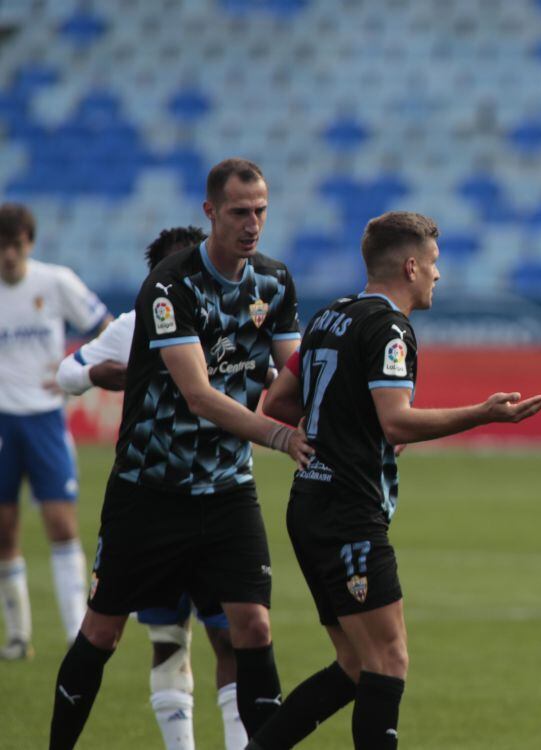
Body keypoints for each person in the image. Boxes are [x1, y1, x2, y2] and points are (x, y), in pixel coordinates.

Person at [246, 211, 541, 750]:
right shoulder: (389, 327)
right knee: (388, 660)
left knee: (355, 664)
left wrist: (349, 429)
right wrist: (484, 413)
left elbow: (282, 402)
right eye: (434, 264)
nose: (438, 275)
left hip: (310, 502)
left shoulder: (330, 316)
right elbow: (395, 420)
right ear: (411, 265)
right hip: (349, 510)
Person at [48, 158, 314, 750]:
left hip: (226, 491)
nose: (252, 224)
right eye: (240, 211)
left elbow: (294, 380)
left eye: (261, 211)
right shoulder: (170, 285)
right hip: (149, 491)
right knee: (103, 631)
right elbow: (198, 396)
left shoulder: (274, 283)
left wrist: (356, 422)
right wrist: (279, 437)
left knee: (253, 626)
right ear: (210, 212)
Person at [56, 226, 249, 750]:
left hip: (219, 496)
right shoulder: (135, 324)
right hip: (151, 499)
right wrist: (117, 371)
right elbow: (67, 373)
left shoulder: (230, 315)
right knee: (165, 639)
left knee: (231, 636)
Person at [0, 202, 111, 660]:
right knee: (5, 529)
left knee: (62, 524)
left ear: (30, 243)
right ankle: (19, 635)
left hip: (46, 417)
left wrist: (73, 367)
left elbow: (106, 328)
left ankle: (74, 636)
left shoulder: (55, 282)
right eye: (1, 246)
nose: (8, 255)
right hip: (3, 419)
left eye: (15, 244)